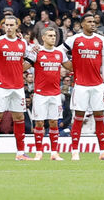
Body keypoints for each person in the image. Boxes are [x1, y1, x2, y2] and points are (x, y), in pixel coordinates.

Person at [0, 13, 34, 161]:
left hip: (18, 86)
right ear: (3, 26)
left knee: (19, 117)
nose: (9, 27)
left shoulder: (22, 43)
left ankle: (20, 153)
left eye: (12, 25)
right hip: (1, 86)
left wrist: (20, 70)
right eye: (7, 24)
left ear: (17, 26)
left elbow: (31, 58)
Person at [66, 12, 104, 160]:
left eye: (94, 21)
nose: (93, 24)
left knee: (99, 116)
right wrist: (70, 66)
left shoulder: (101, 40)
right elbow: (59, 52)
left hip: (97, 85)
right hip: (80, 85)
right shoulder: (74, 39)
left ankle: (103, 152)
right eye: (89, 22)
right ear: (82, 24)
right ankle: (75, 151)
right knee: (79, 117)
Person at [31, 25, 69, 160]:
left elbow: (70, 66)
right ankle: (39, 152)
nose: (53, 38)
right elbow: (24, 66)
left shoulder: (60, 53)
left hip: (55, 94)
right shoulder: (37, 52)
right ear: (43, 38)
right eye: (50, 36)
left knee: (54, 122)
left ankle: (54, 152)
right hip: (40, 94)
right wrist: (27, 52)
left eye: (54, 36)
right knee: (39, 123)